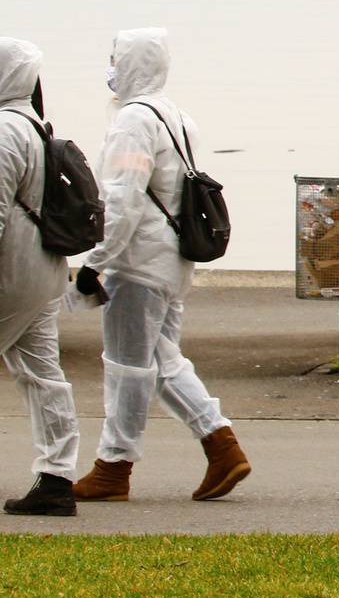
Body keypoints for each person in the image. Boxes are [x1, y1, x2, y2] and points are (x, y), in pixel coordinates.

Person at [72, 29, 249, 504]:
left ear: (130, 64)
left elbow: (123, 197)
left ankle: (114, 467)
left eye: (114, 58)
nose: (110, 67)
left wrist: (96, 261)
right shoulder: (175, 114)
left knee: (127, 365)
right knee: (162, 358)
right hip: (172, 257)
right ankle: (221, 444)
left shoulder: (133, 121)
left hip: (139, 260)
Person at [0, 40, 80, 517]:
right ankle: (56, 479)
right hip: (47, 271)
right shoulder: (34, 124)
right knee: (43, 376)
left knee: (41, 375)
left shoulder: (4, 130)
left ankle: (55, 480)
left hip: (12, 273)